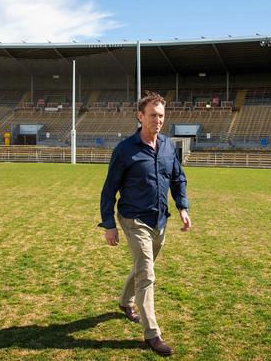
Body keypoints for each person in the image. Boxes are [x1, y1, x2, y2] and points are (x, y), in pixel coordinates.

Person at [99, 91, 191, 356]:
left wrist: (183, 206)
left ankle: (125, 302)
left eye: (161, 115)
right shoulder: (125, 149)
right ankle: (153, 334)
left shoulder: (167, 146)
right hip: (133, 219)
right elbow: (109, 189)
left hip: (159, 220)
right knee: (147, 274)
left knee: (143, 267)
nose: (158, 120)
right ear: (140, 117)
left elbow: (178, 179)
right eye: (153, 115)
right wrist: (109, 224)